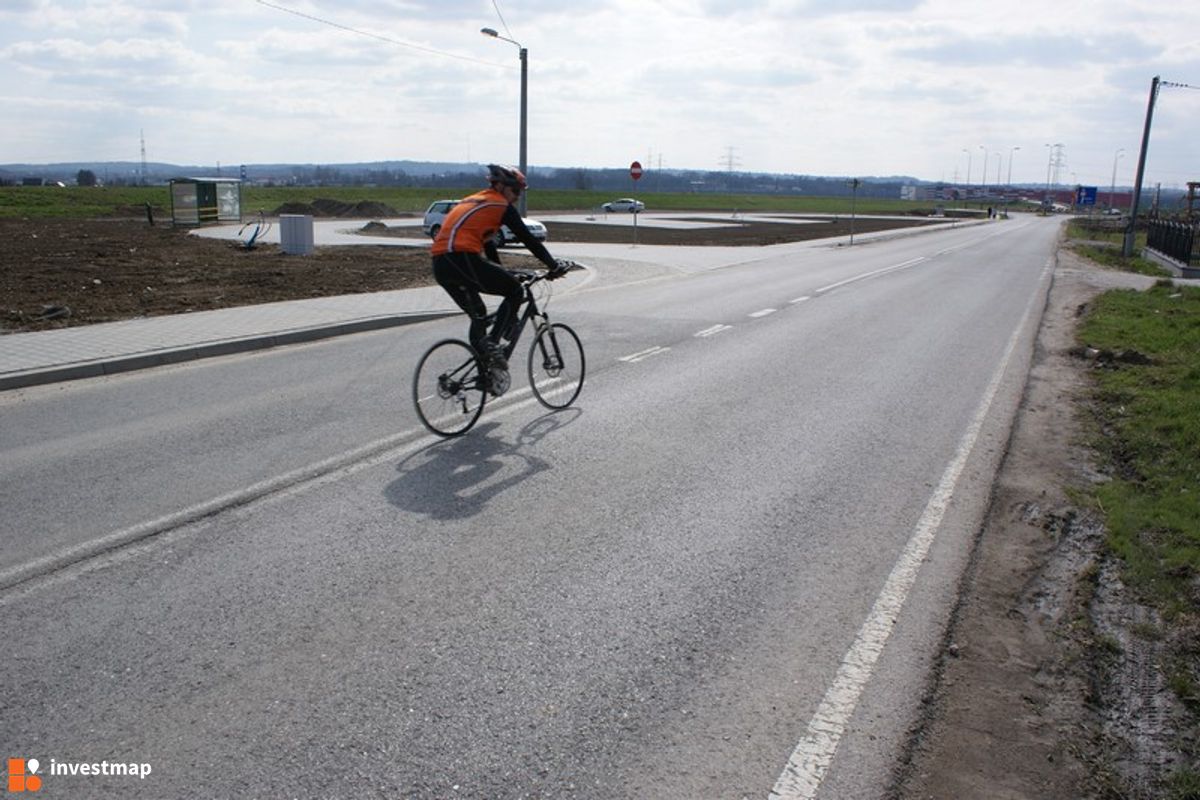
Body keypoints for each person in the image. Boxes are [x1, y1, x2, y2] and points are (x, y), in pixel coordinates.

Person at [431, 164, 565, 370]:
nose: (518, 197)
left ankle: (484, 371)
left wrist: (501, 271)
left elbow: (488, 244)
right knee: (515, 291)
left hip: (441, 264)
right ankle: (493, 345)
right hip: (461, 257)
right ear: (501, 187)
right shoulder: (500, 205)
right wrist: (553, 266)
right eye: (516, 191)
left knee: (479, 316)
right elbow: (528, 239)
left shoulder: (476, 201)